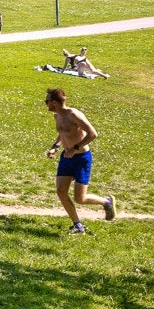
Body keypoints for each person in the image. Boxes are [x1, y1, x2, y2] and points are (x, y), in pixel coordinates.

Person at [45, 87, 116, 233]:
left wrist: (75, 148)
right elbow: (63, 134)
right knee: (61, 191)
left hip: (82, 158)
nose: (46, 104)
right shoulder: (57, 116)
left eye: (47, 101)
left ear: (54, 103)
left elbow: (93, 133)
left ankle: (106, 202)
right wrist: (56, 147)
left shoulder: (73, 114)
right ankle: (77, 225)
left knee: (80, 198)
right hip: (66, 157)